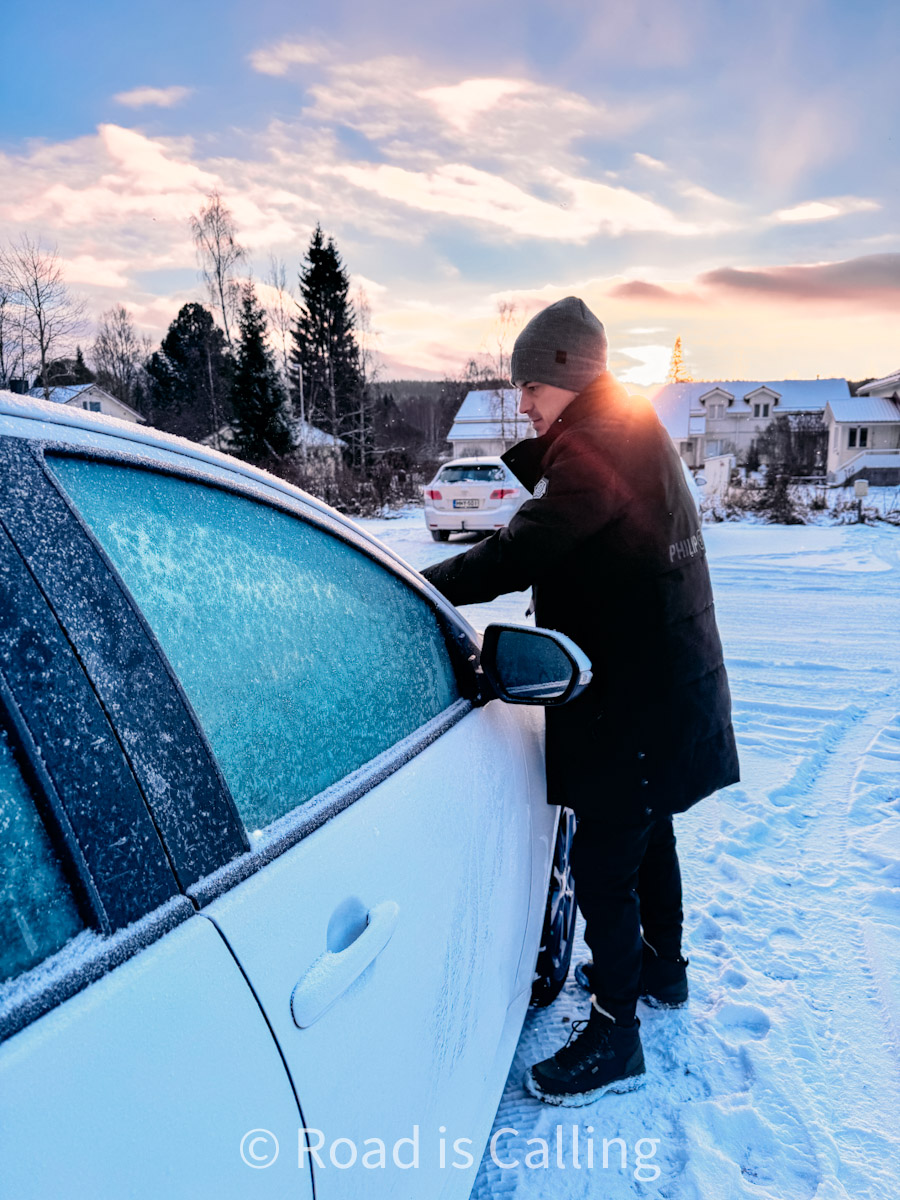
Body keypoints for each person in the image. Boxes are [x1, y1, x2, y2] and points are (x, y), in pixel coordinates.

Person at [421, 296, 739, 1106]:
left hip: (632, 693)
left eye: (530, 384)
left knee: (604, 864)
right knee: (650, 830)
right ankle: (661, 974)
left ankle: (614, 1033)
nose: (522, 401)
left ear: (567, 373)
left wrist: (415, 588)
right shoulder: (620, 431)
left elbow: (523, 549)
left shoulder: (604, 440)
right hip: (661, 683)